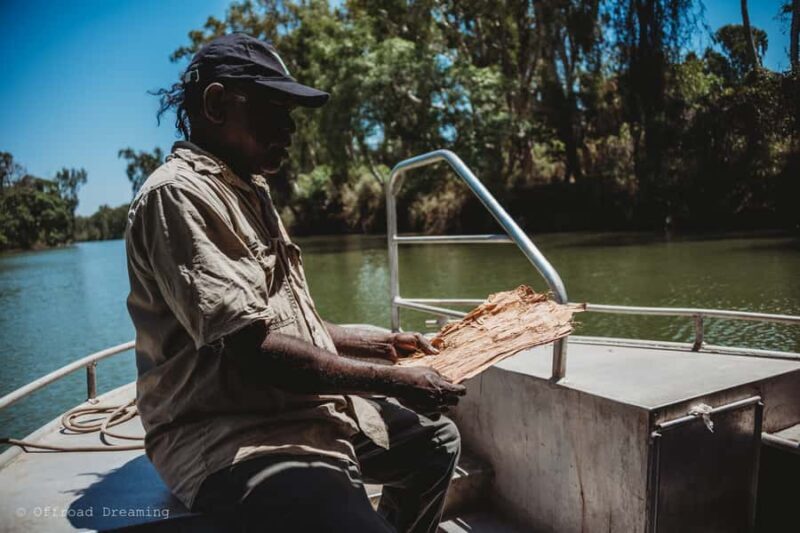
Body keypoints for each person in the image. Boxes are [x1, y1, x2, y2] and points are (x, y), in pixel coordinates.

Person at [125, 33, 466, 532]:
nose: (288, 129)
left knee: (438, 443)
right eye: (274, 111)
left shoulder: (248, 188)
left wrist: (383, 346)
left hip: (301, 408)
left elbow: (291, 324)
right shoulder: (179, 194)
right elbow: (253, 348)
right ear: (216, 104)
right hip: (233, 434)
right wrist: (392, 381)